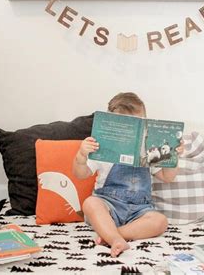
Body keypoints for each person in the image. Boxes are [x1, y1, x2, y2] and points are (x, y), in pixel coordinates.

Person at [72, 92, 182, 257]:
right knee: (90, 203)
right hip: (109, 205)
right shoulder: (103, 150)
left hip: (140, 210)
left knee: (160, 222)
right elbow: (80, 174)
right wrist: (81, 156)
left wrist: (174, 157)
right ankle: (114, 236)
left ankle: (112, 234)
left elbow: (168, 177)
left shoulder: (149, 150)